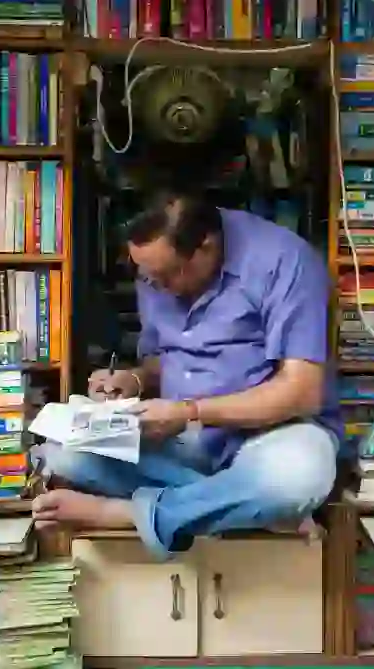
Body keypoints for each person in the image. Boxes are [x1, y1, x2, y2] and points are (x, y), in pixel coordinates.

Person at [32, 192, 343, 560]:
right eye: (146, 277)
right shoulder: (156, 271)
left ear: (206, 248)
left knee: (295, 478)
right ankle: (245, 507)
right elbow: (164, 360)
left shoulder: (286, 262)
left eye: (164, 276)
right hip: (183, 441)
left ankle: (129, 514)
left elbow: (301, 392)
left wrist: (188, 412)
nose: (155, 286)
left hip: (271, 436)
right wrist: (134, 380)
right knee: (63, 456)